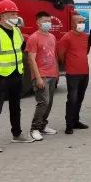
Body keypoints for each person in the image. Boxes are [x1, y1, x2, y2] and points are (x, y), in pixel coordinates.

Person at [0, 0, 34, 153]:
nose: (15, 16)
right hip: (0, 77)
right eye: (12, 13)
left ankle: (17, 134)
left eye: (16, 13)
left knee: (15, 107)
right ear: (2, 15)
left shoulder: (17, 31)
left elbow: (20, 50)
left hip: (16, 75)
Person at [26, 11, 59, 141]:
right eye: (45, 21)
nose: (48, 23)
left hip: (52, 74)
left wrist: (56, 73)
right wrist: (38, 77)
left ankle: (43, 126)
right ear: (38, 23)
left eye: (49, 21)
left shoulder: (52, 37)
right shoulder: (33, 38)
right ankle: (34, 129)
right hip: (41, 75)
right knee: (43, 102)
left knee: (49, 103)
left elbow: (53, 55)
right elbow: (31, 59)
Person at [58, 14, 91, 134]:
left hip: (85, 72)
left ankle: (76, 121)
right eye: (79, 22)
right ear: (72, 24)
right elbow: (61, 55)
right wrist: (69, 64)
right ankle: (69, 124)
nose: (82, 24)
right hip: (73, 74)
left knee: (80, 98)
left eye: (83, 22)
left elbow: (86, 51)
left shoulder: (86, 37)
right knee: (72, 98)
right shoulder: (66, 37)